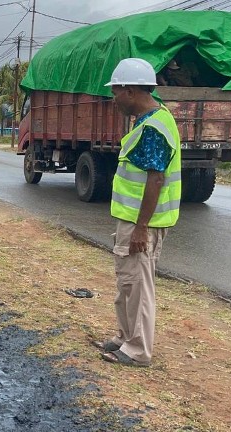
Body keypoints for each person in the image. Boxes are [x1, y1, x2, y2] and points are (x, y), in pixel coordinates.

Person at [94, 58, 182, 368]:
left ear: (130, 91)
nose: (113, 99)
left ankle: (137, 350)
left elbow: (155, 179)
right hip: (131, 220)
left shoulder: (153, 129)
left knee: (139, 286)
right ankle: (125, 338)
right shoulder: (147, 120)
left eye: (115, 92)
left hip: (142, 223)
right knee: (127, 282)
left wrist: (142, 226)